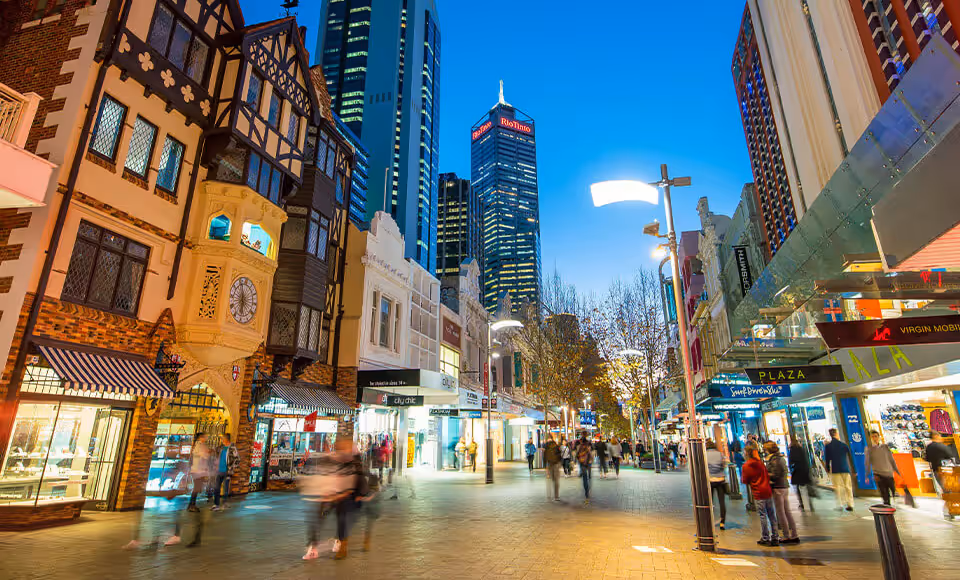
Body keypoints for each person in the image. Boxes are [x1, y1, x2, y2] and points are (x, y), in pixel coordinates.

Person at [742, 446, 778, 546]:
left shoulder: (746, 466)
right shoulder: (760, 463)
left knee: (763, 515)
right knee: (772, 515)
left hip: (758, 492)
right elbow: (766, 474)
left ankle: (765, 537)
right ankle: (775, 536)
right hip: (767, 490)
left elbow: (745, 480)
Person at [765, 442, 799, 544]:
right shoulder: (780, 458)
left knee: (781, 512)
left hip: (778, 487)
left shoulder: (774, 460)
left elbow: (775, 474)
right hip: (784, 486)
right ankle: (794, 534)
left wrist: (767, 475)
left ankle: (786, 535)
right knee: (787, 511)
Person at [865, 430, 901, 506]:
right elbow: (867, 463)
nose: (874, 438)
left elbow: (891, 459)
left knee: (892, 489)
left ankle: (893, 501)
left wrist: (897, 471)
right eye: (872, 437)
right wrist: (867, 475)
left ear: (879, 437)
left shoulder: (885, 447)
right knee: (884, 492)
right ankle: (887, 504)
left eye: (876, 436)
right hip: (878, 474)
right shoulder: (869, 449)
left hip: (888, 473)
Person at [823, 428, 854, 511]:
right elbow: (850, 457)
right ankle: (850, 504)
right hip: (845, 468)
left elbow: (827, 459)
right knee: (848, 487)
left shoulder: (828, 446)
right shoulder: (843, 445)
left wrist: (828, 469)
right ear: (837, 434)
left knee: (838, 487)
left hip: (835, 469)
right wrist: (853, 469)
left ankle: (840, 504)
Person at [212, 434, 239, 511]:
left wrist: (231, 467)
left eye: (222, 438)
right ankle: (216, 504)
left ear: (226, 439)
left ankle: (224, 503)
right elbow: (214, 454)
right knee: (216, 488)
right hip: (219, 470)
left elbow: (237, 459)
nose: (221, 440)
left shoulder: (232, 448)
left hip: (227, 471)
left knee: (225, 489)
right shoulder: (220, 447)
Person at [706, 440, 727, 530]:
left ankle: (709, 520)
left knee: (709, 501)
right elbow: (723, 465)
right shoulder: (719, 454)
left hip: (710, 480)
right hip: (720, 480)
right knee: (722, 501)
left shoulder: (705, 454)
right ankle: (722, 522)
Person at [187, 433, 212, 513]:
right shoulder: (199, 445)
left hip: (197, 470)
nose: (206, 438)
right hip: (197, 470)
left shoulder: (198, 445)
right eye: (205, 436)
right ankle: (191, 505)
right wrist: (208, 453)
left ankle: (191, 505)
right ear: (201, 437)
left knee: (197, 488)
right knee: (196, 488)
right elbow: (203, 456)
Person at [787, 439, 813, 511]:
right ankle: (808, 503)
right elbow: (807, 460)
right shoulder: (802, 449)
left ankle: (802, 503)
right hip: (804, 471)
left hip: (797, 472)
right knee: (805, 487)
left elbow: (790, 463)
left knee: (799, 488)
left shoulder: (792, 451)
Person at [575, 435, 594, 505]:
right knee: (589, 477)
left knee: (585, 479)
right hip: (588, 464)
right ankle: (588, 489)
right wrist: (591, 460)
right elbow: (591, 455)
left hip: (582, 464)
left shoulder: (580, 447)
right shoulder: (588, 446)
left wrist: (580, 459)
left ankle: (586, 493)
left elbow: (577, 456)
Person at [544, 436, 562, 501]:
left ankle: (549, 495)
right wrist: (560, 463)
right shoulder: (556, 446)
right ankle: (556, 496)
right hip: (556, 464)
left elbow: (545, 457)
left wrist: (545, 467)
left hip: (550, 464)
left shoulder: (546, 447)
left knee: (550, 480)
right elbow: (560, 456)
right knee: (556, 480)